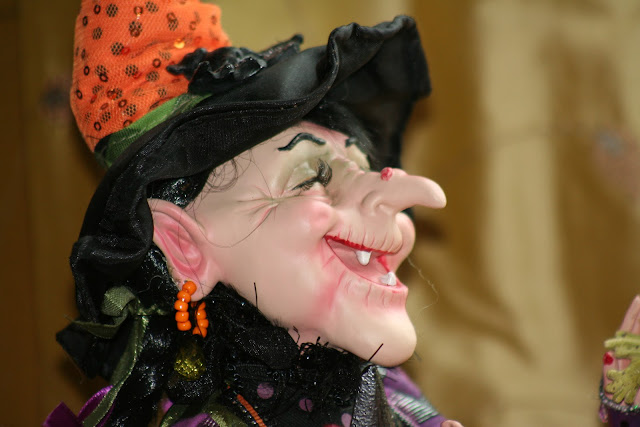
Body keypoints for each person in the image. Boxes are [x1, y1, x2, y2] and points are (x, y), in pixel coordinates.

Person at [46, 1, 464, 425]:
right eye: (313, 178)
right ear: (185, 247)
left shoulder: (384, 388)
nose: (413, 195)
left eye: (363, 168)